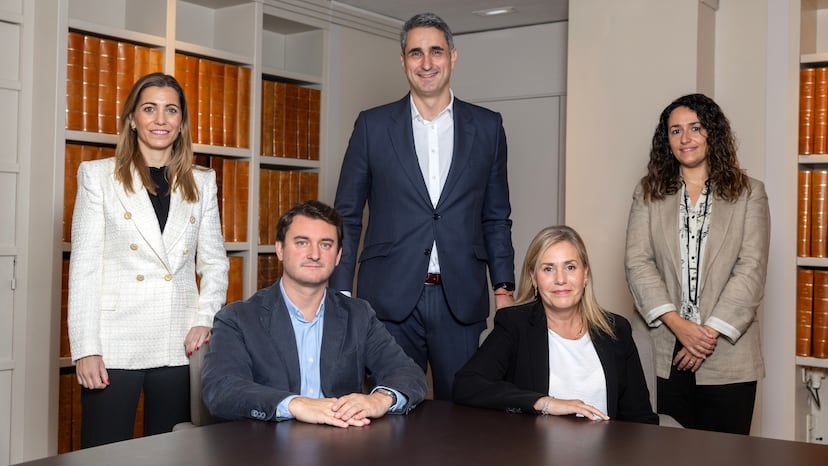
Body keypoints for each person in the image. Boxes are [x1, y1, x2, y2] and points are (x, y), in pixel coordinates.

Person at [331, 12, 515, 401]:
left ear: (452, 56)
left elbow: (496, 217)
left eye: (436, 51)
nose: (426, 62)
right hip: (388, 297)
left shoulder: (487, 127)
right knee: (390, 408)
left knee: (465, 411)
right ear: (403, 60)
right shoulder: (372, 126)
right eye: (416, 53)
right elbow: (346, 215)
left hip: (461, 298)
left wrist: (503, 290)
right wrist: (341, 293)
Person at [68, 73, 229, 448]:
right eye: (149, 109)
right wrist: (86, 348)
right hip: (113, 342)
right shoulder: (98, 176)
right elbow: (84, 269)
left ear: (181, 122)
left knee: (172, 453)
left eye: (171, 110)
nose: (161, 119)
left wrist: (205, 318)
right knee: (103, 453)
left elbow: (215, 262)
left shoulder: (202, 182)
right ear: (132, 119)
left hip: (179, 342)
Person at [201, 200, 427, 427]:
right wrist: (295, 404)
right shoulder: (237, 319)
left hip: (343, 440)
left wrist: (380, 399)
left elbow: (407, 372)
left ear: (338, 255)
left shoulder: (359, 315)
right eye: (302, 243)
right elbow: (221, 389)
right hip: (268, 442)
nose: (314, 254)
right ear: (280, 249)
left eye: (326, 245)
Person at [624, 93, 770, 434]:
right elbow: (637, 263)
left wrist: (706, 335)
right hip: (663, 348)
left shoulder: (750, 193)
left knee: (726, 453)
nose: (685, 138)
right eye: (675, 131)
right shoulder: (648, 192)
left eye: (695, 127)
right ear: (667, 140)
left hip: (728, 353)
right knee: (664, 451)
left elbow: (751, 269)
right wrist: (680, 327)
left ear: (712, 133)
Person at [452, 225, 657, 424]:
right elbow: (467, 384)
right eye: (548, 268)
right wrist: (545, 403)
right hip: (535, 446)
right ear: (534, 278)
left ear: (585, 274)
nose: (560, 279)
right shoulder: (514, 325)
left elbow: (640, 418)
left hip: (607, 446)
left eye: (570, 267)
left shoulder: (616, 329)